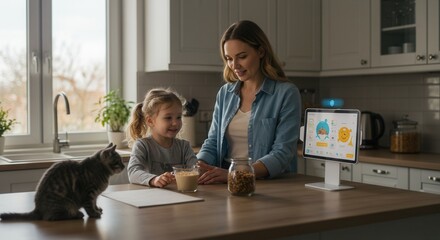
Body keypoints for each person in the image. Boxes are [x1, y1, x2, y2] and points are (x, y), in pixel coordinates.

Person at [197, 20, 301, 184]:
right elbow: (213, 142)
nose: (234, 65)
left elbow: (283, 152)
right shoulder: (225, 93)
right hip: (224, 180)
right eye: (229, 58)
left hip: (267, 183)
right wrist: (198, 164)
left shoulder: (286, 93)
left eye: (242, 57)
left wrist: (236, 174)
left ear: (261, 51)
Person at [126, 88, 198, 188]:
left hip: (180, 196)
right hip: (152, 197)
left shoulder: (184, 146)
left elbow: (195, 169)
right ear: (150, 121)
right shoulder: (143, 145)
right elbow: (133, 172)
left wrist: (200, 169)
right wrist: (154, 180)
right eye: (168, 118)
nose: (175, 123)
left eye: (178, 117)